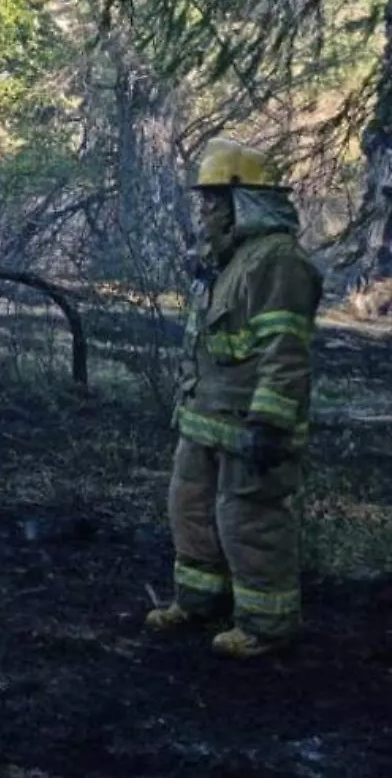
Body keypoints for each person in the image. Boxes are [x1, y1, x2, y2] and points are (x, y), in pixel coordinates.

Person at [145, 137, 322, 659]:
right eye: (203, 201)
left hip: (250, 426)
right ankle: (199, 602)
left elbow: (284, 350)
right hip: (205, 419)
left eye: (213, 201)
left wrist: (271, 422)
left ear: (243, 203)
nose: (203, 211)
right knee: (191, 509)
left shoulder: (277, 262)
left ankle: (266, 626)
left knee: (250, 520)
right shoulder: (230, 260)